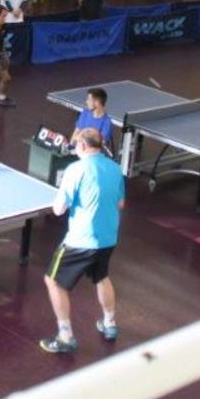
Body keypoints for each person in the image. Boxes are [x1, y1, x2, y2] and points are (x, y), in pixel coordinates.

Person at [40, 128, 125, 353]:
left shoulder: (75, 169)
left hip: (80, 240)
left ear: (83, 146)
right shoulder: (115, 168)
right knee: (101, 276)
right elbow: (120, 203)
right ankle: (109, 323)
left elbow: (58, 209)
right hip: (108, 237)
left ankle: (65, 336)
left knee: (53, 281)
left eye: (76, 143)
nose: (75, 147)